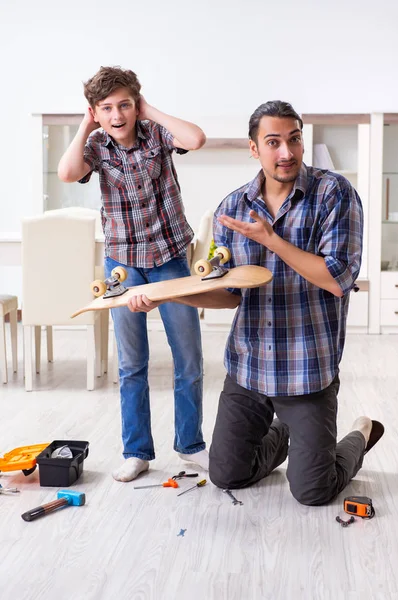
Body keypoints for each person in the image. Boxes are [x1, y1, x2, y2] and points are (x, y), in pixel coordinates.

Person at [129, 100, 384, 505]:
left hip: (306, 371)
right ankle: (291, 434)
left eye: (294, 140)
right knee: (226, 475)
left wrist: (272, 240)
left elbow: (339, 280)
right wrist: (169, 296)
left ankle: (358, 434)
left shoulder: (334, 193)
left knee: (313, 492)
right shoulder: (232, 208)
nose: (287, 153)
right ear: (254, 149)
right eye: (273, 142)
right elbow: (230, 294)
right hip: (249, 368)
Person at [58, 66, 209, 482]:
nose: (117, 114)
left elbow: (196, 139)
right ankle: (137, 451)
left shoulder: (156, 134)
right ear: (96, 113)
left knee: (189, 360)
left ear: (136, 105)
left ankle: (191, 446)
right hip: (123, 268)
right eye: (106, 108)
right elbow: (67, 173)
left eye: (125, 104)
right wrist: (86, 124)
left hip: (171, 259)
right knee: (132, 365)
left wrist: (150, 111)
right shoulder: (95, 146)